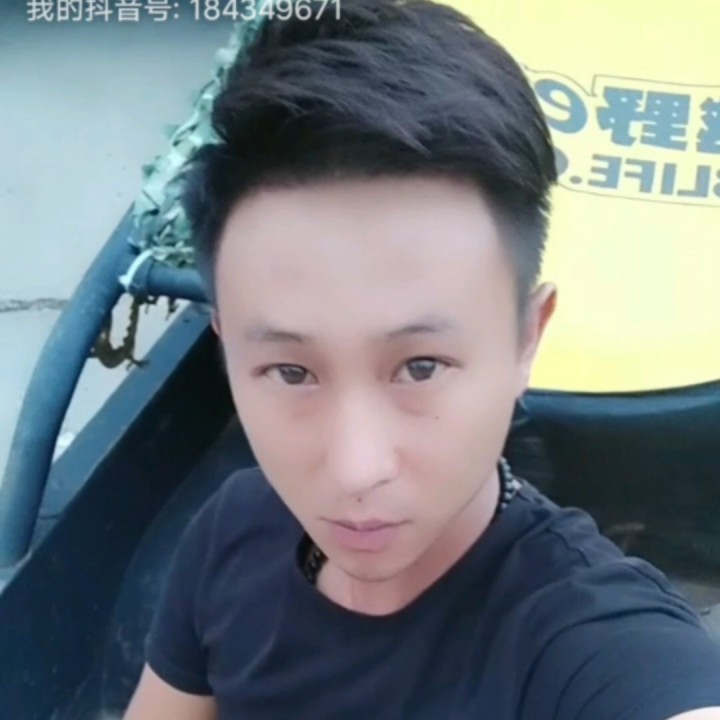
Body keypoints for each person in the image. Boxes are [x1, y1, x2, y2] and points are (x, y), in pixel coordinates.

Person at [125, 0, 720, 718]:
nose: (357, 469)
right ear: (227, 346)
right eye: (291, 372)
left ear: (527, 339)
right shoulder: (233, 533)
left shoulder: (591, 649)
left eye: (421, 366)